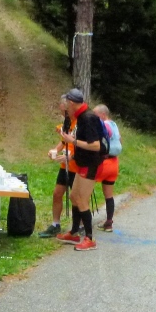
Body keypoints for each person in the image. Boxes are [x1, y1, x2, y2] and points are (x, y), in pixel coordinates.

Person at [56, 88, 103, 251]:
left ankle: (90, 238)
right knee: (74, 196)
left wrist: (73, 141)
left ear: (71, 103)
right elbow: (83, 143)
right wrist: (71, 156)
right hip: (82, 161)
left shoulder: (88, 118)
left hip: (91, 164)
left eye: (66, 106)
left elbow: (96, 145)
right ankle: (74, 233)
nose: (65, 110)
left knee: (81, 199)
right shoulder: (81, 117)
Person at [37, 96, 78, 238]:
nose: (63, 114)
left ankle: (79, 225)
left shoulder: (80, 122)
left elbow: (83, 145)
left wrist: (71, 156)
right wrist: (55, 150)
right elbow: (63, 141)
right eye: (61, 111)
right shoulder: (67, 122)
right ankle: (55, 224)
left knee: (76, 197)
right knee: (57, 193)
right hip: (65, 165)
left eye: (64, 111)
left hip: (77, 166)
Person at [93, 104, 119, 232]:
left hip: (104, 163)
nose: (94, 117)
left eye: (96, 115)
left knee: (84, 191)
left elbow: (98, 142)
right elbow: (120, 141)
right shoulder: (114, 125)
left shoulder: (104, 125)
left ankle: (81, 223)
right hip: (114, 163)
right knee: (109, 195)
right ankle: (109, 223)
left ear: (103, 114)